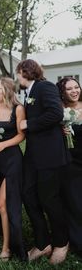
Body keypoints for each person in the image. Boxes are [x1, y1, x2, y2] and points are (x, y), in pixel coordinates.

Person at [16, 59, 70, 265]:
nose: (17, 77)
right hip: (33, 154)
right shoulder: (28, 91)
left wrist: (29, 123)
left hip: (50, 154)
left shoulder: (45, 86)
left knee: (49, 199)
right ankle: (42, 242)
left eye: (18, 73)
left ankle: (61, 242)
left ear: (24, 71)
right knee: (27, 193)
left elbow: (56, 113)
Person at [0, 77, 27, 261]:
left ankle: (7, 247)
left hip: (12, 161)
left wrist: (3, 145)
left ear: (8, 90)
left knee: (4, 204)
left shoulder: (18, 109)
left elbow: (21, 136)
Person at [57, 77, 82, 258]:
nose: (74, 91)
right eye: (69, 89)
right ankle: (77, 241)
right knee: (75, 202)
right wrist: (61, 131)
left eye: (77, 87)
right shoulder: (60, 111)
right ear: (63, 92)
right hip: (71, 161)